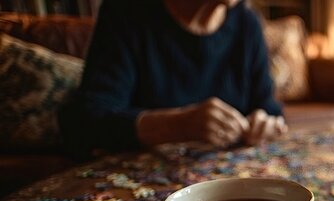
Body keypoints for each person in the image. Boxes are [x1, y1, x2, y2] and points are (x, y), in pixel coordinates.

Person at [59, 0, 287, 156]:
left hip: (228, 177)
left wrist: (264, 122)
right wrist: (177, 125)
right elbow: (86, 121)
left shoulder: (248, 23)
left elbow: (268, 108)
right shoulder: (127, 12)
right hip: (143, 179)